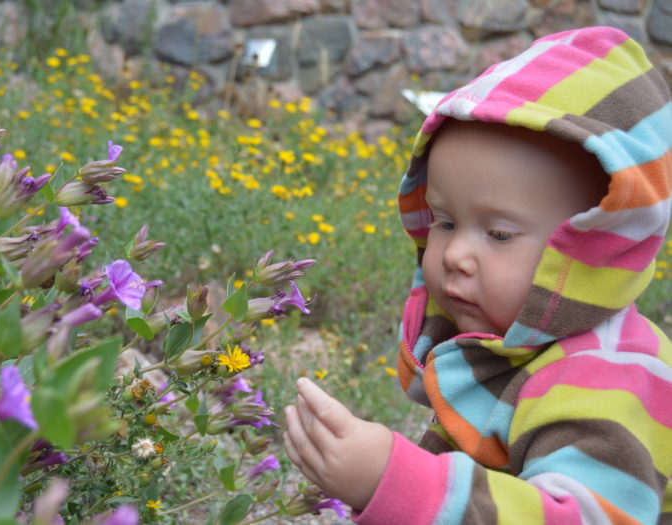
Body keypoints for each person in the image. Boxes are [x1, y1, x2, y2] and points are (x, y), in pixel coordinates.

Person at [284, 25, 672, 524]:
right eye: (445, 222)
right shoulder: (522, 344)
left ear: (598, 246)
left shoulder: (607, 379)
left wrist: (394, 481)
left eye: (500, 234)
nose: (455, 255)